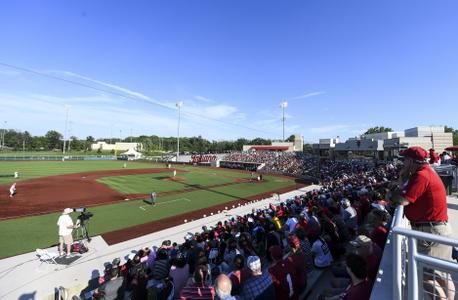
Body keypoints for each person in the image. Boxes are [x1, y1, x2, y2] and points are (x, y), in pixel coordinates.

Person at [391, 146, 455, 299]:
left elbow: (403, 200)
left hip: (431, 231)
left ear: (412, 161)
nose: (403, 163)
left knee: (428, 276)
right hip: (434, 229)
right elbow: (405, 188)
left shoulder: (422, 176)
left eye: (405, 160)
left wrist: (390, 195)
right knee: (441, 275)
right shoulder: (421, 173)